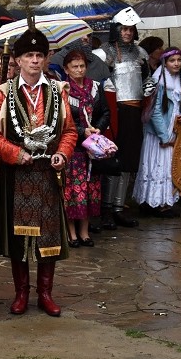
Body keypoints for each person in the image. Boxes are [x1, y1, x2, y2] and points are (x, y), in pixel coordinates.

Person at [0, 19, 77, 317]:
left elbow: (69, 132)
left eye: (40, 56)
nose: (35, 61)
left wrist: (62, 155)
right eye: (29, 56)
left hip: (47, 174)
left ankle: (46, 294)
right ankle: (21, 294)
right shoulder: (2, 93)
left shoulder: (58, 90)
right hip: (17, 175)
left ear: (46, 58)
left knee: (48, 237)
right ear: (18, 59)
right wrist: (15, 153)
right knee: (19, 237)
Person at [93, 7, 147, 229]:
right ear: (117, 30)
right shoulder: (104, 53)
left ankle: (118, 207)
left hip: (134, 110)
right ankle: (105, 208)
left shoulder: (140, 53)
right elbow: (97, 82)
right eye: (124, 29)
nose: (127, 33)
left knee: (128, 161)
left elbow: (146, 79)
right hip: (115, 112)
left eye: (131, 29)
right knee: (112, 159)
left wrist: (149, 86)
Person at [133, 48, 181, 217]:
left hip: (174, 129)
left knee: (169, 167)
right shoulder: (158, 81)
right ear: (165, 63)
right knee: (158, 165)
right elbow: (155, 111)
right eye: (172, 61)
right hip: (159, 133)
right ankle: (155, 203)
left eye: (179, 60)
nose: (177, 63)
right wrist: (164, 136)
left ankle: (163, 201)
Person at [63, 50, 110, 246]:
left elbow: (105, 112)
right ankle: (71, 233)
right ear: (66, 69)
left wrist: (98, 127)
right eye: (75, 66)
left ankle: (85, 232)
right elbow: (65, 119)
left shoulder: (95, 88)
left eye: (82, 66)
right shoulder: (63, 91)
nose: (79, 70)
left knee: (90, 190)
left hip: (92, 149)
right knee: (73, 191)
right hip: (74, 148)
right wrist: (83, 131)